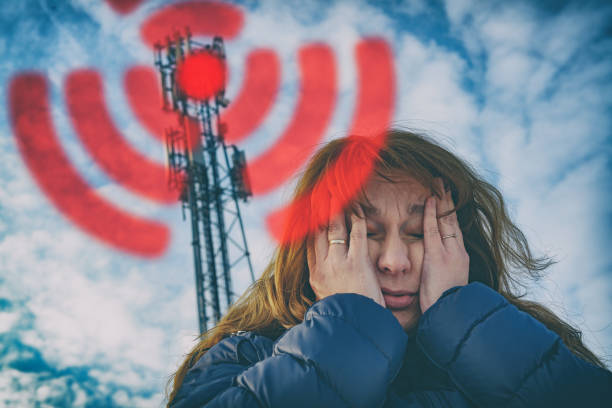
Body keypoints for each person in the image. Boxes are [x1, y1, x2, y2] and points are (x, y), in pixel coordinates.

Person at [165, 129, 612, 407]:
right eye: (367, 233)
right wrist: (350, 324)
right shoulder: (243, 357)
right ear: (314, 246)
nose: (394, 261)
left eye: (418, 233)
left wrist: (463, 318)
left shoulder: (530, 339)